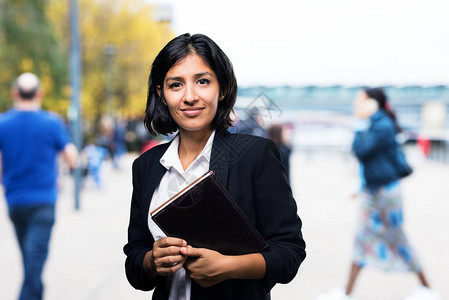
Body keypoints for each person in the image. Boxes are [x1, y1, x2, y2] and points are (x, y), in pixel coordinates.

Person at [123, 33, 306, 300]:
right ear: (161, 94)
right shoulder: (147, 165)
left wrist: (228, 267)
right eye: (176, 84)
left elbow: (289, 253)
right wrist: (152, 261)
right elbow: (135, 262)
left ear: (223, 88)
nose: (190, 96)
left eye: (203, 81)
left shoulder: (255, 156)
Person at [317, 87, 439, 300]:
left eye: (361, 100)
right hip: (376, 192)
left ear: (374, 103)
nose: (357, 104)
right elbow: (366, 157)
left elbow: (362, 151)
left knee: (396, 238)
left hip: (385, 194)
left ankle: (427, 288)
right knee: (364, 239)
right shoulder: (376, 123)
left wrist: (358, 124)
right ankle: (346, 293)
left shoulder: (381, 125)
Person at [0, 73, 78, 300]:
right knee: (34, 263)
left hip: (15, 201)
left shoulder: (3, 123)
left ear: (15, 93)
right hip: (43, 201)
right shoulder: (51, 122)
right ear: (39, 94)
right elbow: (72, 156)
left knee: (30, 260)